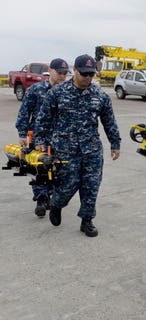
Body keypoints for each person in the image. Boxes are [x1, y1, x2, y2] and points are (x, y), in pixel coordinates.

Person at [34, 54, 121, 237]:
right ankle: (57, 204)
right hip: (65, 149)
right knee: (67, 185)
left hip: (92, 149)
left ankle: (87, 220)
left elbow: (109, 122)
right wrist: (40, 140)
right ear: (75, 70)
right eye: (84, 74)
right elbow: (44, 118)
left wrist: (115, 143)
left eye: (91, 74)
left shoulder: (100, 96)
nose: (88, 78)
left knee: (91, 185)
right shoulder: (57, 92)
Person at [15, 58, 69, 217]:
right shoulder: (36, 90)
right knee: (39, 167)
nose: (62, 76)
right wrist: (22, 133)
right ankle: (41, 199)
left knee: (57, 168)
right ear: (50, 70)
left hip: (60, 137)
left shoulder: (67, 91)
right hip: (38, 135)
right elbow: (25, 111)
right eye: (59, 73)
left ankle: (51, 196)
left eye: (65, 74)